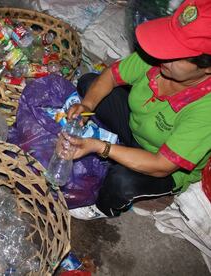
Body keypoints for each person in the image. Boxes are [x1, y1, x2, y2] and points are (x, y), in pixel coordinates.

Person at [60, 0, 211, 220]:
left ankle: (105, 208)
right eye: (168, 43)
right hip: (135, 126)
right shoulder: (158, 58)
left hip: (160, 161)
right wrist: (87, 106)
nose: (164, 55)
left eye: (178, 54)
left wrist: (99, 147)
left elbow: (161, 165)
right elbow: (111, 75)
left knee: (121, 181)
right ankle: (119, 147)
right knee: (89, 82)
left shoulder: (206, 110)